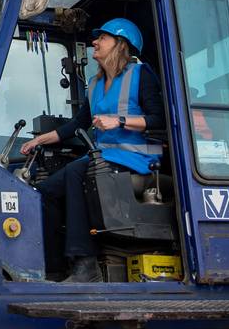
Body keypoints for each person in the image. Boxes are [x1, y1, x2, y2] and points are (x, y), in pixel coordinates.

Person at [19, 18, 165, 282]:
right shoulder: (95, 85)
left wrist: (118, 121)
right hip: (103, 158)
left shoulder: (141, 75)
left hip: (137, 160)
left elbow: (160, 119)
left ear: (121, 45)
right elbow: (77, 125)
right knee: (45, 192)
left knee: (76, 172)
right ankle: (54, 268)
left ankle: (85, 266)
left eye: (103, 38)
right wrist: (37, 141)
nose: (95, 42)